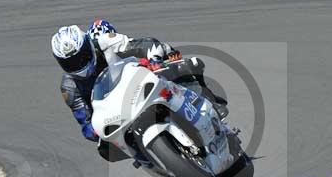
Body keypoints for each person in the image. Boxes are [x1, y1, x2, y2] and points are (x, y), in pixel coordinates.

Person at [52, 19, 228, 153]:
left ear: (88, 45)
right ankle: (155, 162)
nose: (78, 64)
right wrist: (96, 132)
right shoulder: (69, 87)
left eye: (81, 56)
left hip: (139, 85)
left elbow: (146, 44)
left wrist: (155, 60)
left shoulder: (105, 42)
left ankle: (208, 104)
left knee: (181, 66)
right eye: (70, 63)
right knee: (105, 150)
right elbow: (85, 122)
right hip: (117, 114)